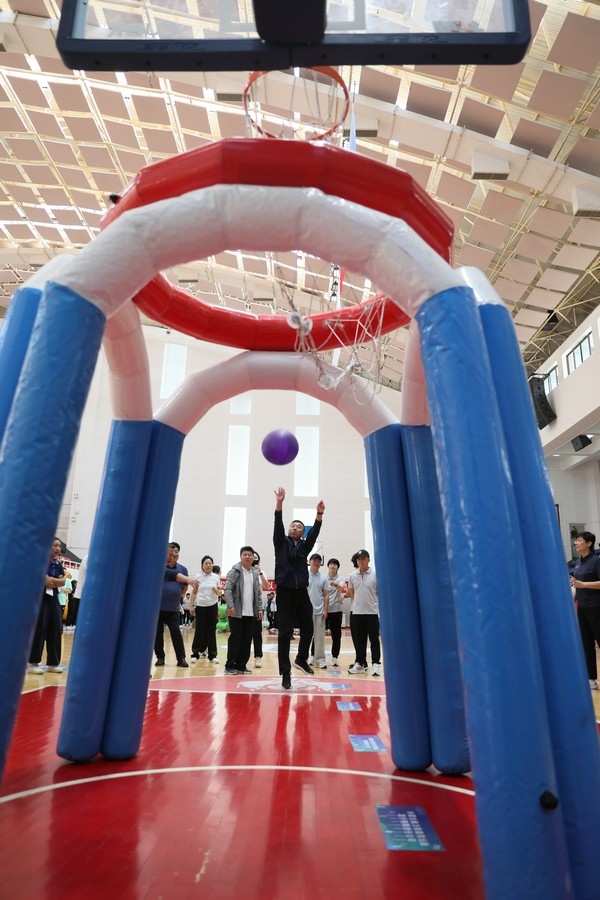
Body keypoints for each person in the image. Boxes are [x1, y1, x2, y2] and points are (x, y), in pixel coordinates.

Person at [273, 486, 325, 689]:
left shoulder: (305, 545)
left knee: (308, 627)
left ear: (303, 532)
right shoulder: (280, 542)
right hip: (284, 591)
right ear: (288, 530)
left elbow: (315, 533)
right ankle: (285, 673)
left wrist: (319, 515)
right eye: (292, 526)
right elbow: (278, 524)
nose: (295, 528)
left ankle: (301, 659)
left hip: (301, 590)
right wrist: (279, 504)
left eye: (299, 527)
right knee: (284, 633)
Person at [154, 542, 198, 668]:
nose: (173, 555)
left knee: (176, 632)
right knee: (157, 634)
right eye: (170, 552)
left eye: (176, 552)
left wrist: (181, 596)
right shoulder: (159, 567)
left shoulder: (183, 569)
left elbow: (184, 587)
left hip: (173, 609)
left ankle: (181, 658)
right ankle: (160, 657)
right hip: (157, 609)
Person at [28, 537, 66, 674]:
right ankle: (33, 663)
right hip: (40, 598)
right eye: (55, 545)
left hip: (53, 598)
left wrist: (53, 580)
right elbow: (46, 582)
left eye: (59, 546)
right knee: (40, 629)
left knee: (56, 629)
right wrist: (55, 581)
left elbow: (63, 581)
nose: (57, 548)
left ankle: (53, 663)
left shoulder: (58, 564)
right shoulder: (40, 562)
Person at [224, 546, 263, 675]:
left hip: (251, 613)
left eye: (249, 555)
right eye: (244, 555)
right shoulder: (234, 571)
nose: (247, 557)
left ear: (253, 558)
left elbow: (258, 593)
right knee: (235, 639)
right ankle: (230, 665)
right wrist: (230, 606)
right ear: (240, 557)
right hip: (236, 612)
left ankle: (241, 665)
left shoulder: (255, 574)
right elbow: (227, 590)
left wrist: (259, 608)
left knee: (247, 640)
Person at [572, 531, 600, 690]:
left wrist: (584, 585)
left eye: (579, 540)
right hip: (582, 607)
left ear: (589, 543)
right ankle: (591, 679)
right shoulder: (577, 563)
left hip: (596, 606)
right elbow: (578, 585)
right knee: (586, 643)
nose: (576, 543)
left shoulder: (596, 561)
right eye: (575, 541)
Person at [347, 549, 381, 676]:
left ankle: (376, 664)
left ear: (368, 560)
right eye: (359, 559)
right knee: (359, 641)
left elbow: (379, 593)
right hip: (357, 613)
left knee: (374, 640)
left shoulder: (375, 575)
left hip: (372, 613)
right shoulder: (352, 576)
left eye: (363, 558)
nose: (360, 561)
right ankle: (360, 663)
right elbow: (351, 593)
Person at [189, 555, 221, 663]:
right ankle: (195, 654)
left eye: (210, 563)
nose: (208, 565)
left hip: (213, 606)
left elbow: (219, 593)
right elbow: (194, 592)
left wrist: (217, 591)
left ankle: (212, 655)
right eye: (206, 563)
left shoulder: (216, 577)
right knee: (199, 630)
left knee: (212, 631)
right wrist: (191, 606)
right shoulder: (198, 577)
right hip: (201, 606)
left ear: (212, 565)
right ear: (202, 565)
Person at [307, 554, 329, 669]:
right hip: (306, 611)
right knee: (306, 636)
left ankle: (319, 660)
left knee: (319, 637)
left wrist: (325, 610)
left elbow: (326, 595)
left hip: (320, 611)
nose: (316, 563)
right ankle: (303, 659)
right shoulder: (304, 575)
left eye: (318, 561)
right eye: (314, 560)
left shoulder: (323, 577)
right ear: (309, 562)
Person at [251, 551, 270, 667]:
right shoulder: (244, 571)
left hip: (257, 606)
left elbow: (266, 585)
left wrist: (260, 572)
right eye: (252, 557)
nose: (254, 559)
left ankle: (258, 656)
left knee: (257, 633)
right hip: (245, 606)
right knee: (245, 633)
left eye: (256, 557)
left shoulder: (261, 572)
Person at [326, 557, 345, 666]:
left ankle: (335, 657)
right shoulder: (323, 578)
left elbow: (341, 588)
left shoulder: (340, 578)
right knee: (318, 634)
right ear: (328, 566)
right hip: (324, 610)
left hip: (336, 611)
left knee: (336, 635)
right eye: (331, 564)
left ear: (338, 567)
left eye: (335, 564)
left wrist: (335, 584)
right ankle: (314, 655)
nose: (332, 566)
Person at [65, 553, 87, 630]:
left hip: (80, 596)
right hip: (79, 597)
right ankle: (69, 625)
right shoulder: (88, 558)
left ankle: (73, 624)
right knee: (72, 612)